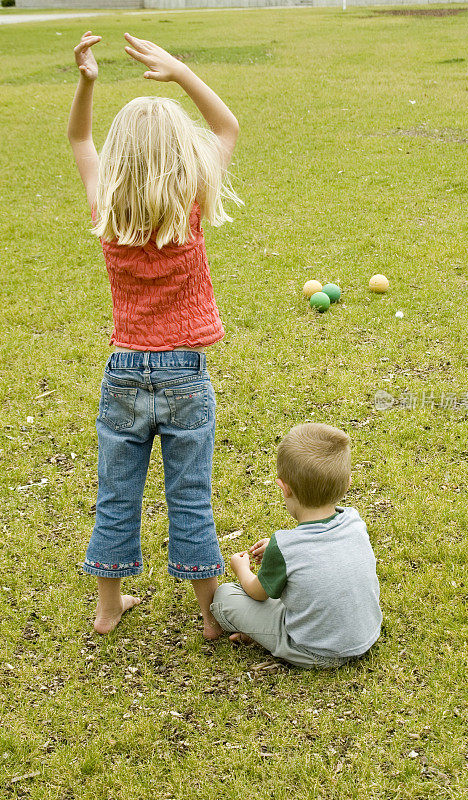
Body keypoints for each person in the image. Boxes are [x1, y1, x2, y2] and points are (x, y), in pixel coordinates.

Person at [67, 31, 241, 637]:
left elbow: (79, 139)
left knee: (117, 495)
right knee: (190, 498)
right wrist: (180, 70)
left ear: (121, 158)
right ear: (179, 156)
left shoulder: (105, 208)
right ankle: (210, 616)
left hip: (123, 374)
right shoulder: (191, 202)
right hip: (185, 376)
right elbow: (227, 128)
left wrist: (88, 83)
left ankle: (108, 608)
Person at [210, 424, 382, 668]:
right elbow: (322, 554)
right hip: (365, 636)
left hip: (315, 651)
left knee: (225, 596)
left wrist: (241, 568)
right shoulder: (354, 520)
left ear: (284, 488)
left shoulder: (285, 546)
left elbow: (256, 592)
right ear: (347, 484)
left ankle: (266, 638)